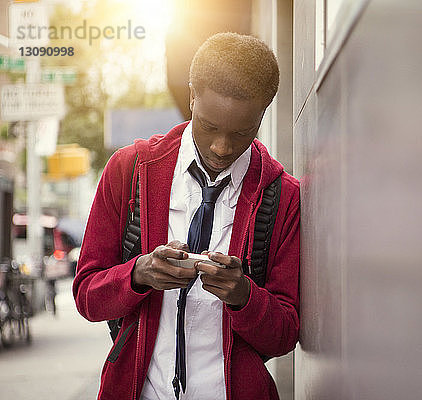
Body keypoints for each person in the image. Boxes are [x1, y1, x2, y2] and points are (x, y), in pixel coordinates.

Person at [73, 32, 300, 400]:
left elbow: (285, 333)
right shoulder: (129, 170)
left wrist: (244, 296)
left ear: (264, 113)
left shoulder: (283, 196)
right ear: (192, 96)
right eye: (209, 126)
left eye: (243, 132)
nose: (222, 147)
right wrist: (139, 273)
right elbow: (87, 297)